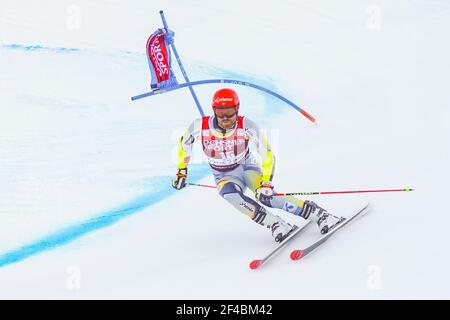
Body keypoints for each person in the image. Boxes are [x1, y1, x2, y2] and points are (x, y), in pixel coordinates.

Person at [172, 88, 343, 243]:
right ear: (214, 111)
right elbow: (183, 146)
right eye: (220, 113)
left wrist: (266, 182)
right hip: (223, 175)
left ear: (237, 110)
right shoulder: (199, 126)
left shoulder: (246, 125)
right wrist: (181, 171)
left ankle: (320, 215)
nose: (225, 118)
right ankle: (275, 224)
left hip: (247, 167)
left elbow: (267, 153)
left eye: (230, 113)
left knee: (266, 197)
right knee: (230, 195)